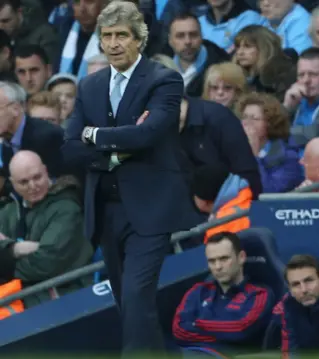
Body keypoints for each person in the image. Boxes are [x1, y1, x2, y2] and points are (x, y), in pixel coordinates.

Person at [61, 1, 199, 353]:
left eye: (122, 35)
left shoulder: (164, 79)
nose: (114, 43)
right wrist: (114, 153)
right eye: (107, 36)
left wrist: (95, 135)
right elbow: (70, 147)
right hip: (106, 209)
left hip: (150, 210)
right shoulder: (90, 85)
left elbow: (147, 135)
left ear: (139, 39)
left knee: (137, 295)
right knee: (128, 300)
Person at [0, 150, 92, 308]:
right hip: (21, 294)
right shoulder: (9, 211)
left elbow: (47, 263)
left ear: (46, 171)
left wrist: (5, 263)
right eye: (23, 182)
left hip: (64, 294)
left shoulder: (66, 208)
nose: (32, 186)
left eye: (37, 177)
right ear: (13, 183)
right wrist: (15, 249)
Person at [172, 231, 275, 356]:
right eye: (212, 261)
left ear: (241, 257)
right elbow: (179, 330)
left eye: (224, 259)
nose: (218, 266)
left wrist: (197, 324)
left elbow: (240, 329)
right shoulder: (198, 291)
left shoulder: (260, 294)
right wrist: (220, 332)